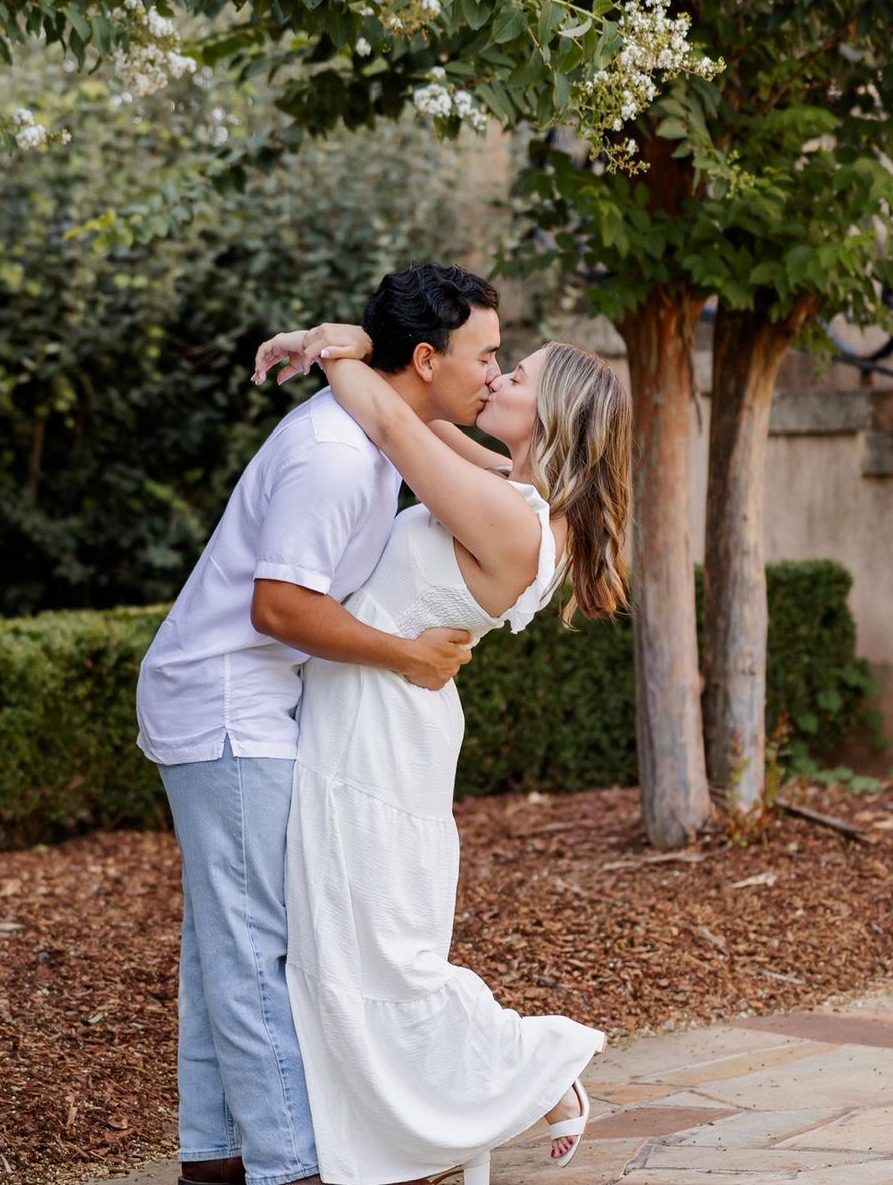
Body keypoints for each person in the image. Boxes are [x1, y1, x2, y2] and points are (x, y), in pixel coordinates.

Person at [135, 263, 506, 1185]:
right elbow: (280, 608)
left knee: (226, 939)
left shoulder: (383, 430)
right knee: (255, 945)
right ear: (427, 360)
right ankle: (289, 1166)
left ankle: (216, 1156)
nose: (494, 374)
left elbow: (496, 465)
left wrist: (341, 339)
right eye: (486, 356)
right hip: (226, 704)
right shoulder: (335, 455)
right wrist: (407, 655)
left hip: (255, 700)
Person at [251, 319, 632, 1185]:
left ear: (553, 416)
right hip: (377, 715)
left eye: (517, 377)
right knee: (351, 942)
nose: (497, 379)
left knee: (385, 955)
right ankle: (420, 1137)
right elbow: (423, 417)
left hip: (380, 731)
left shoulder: (510, 517)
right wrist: (359, 340)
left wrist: (337, 349)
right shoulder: (510, 490)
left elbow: (394, 423)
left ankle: (540, 1071)